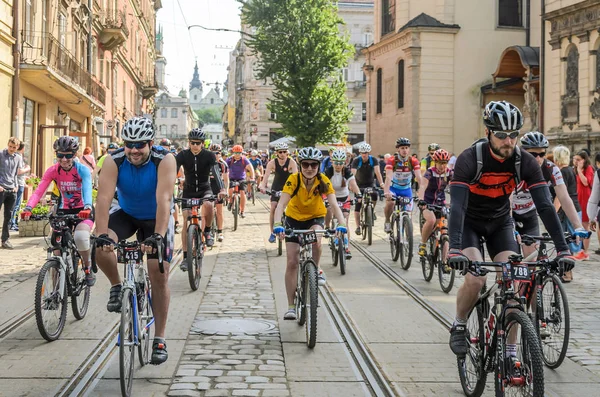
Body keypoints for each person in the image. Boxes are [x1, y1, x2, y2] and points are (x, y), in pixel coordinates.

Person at [446, 101, 573, 365]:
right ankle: (459, 323)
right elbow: (456, 207)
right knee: (476, 279)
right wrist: (455, 248)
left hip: (501, 223)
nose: (508, 141)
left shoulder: (524, 161)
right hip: (470, 222)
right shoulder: (471, 158)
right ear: (488, 132)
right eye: (502, 135)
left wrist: (563, 249)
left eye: (513, 135)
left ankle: (511, 352)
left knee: (514, 286)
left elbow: (546, 207)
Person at [94, 117, 177, 365]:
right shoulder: (114, 160)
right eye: (129, 144)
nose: (133, 150)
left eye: (139, 145)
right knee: (101, 246)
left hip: (156, 218)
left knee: (157, 272)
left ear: (150, 143)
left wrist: (158, 237)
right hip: (127, 213)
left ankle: (159, 338)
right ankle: (117, 286)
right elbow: (104, 200)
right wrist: (101, 234)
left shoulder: (165, 159)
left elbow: (164, 199)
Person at [272, 147, 347, 319]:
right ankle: (291, 306)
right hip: (293, 219)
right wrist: (277, 224)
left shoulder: (323, 180)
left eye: (313, 165)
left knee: (317, 240)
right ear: (300, 164)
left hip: (315, 218)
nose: (309, 168)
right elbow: (282, 204)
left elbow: (334, 204)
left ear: (319, 166)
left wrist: (342, 224)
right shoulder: (293, 179)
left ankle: (317, 268)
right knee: (292, 261)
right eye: (305, 164)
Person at [21, 136, 95, 286]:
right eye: (60, 155)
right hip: (63, 209)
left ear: (75, 155)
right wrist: (28, 207)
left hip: (82, 210)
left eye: (68, 155)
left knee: (80, 237)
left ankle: (87, 267)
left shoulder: (82, 170)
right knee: (56, 251)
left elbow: (87, 187)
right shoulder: (53, 171)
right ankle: (56, 292)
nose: (64, 159)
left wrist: (87, 206)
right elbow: (39, 191)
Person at [514, 132, 586, 264]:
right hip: (509, 214)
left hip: (529, 214)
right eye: (532, 155)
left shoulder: (551, 169)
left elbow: (564, 198)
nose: (537, 159)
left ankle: (527, 284)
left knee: (531, 262)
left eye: (541, 154)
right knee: (511, 263)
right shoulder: (514, 167)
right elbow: (505, 200)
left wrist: (578, 226)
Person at [176, 128, 225, 255]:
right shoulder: (182, 155)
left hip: (204, 188)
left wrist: (222, 189)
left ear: (202, 143)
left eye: (198, 143)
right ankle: (186, 257)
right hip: (188, 189)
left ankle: (207, 231)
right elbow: (173, 170)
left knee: (209, 205)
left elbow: (216, 173)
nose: (195, 145)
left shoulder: (209, 155)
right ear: (189, 142)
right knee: (186, 221)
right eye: (192, 143)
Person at [324, 149, 361, 258]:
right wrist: (324, 198)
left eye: (341, 163)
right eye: (336, 162)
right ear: (332, 162)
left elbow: (353, 184)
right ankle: (327, 227)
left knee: (345, 221)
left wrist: (358, 194)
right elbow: (323, 186)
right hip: (332, 197)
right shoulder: (329, 171)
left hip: (344, 198)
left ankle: (346, 246)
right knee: (328, 210)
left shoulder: (347, 171)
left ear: (344, 162)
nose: (338, 165)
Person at [260, 142, 298, 242]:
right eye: (280, 152)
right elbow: (266, 177)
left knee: (292, 208)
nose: (282, 154)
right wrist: (262, 186)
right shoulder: (272, 163)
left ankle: (293, 228)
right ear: (276, 153)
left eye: (284, 152)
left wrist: (297, 189)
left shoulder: (291, 162)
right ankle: (272, 232)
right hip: (276, 187)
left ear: (287, 153)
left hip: (288, 187)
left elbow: (296, 178)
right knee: (273, 207)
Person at [417, 149, 452, 257]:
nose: (442, 166)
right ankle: (423, 244)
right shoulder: (430, 171)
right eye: (440, 163)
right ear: (435, 162)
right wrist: (421, 200)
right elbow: (423, 186)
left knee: (444, 230)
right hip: (428, 202)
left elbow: (455, 187)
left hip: (441, 203)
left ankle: (445, 260)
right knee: (431, 220)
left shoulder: (449, 172)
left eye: (444, 163)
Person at [383, 138, 421, 233]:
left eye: (406, 148)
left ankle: (405, 233)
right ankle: (387, 220)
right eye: (402, 148)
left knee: (407, 213)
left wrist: (421, 191)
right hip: (393, 188)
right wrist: (386, 192)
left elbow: (419, 177)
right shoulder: (392, 160)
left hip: (406, 189)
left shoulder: (413, 161)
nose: (405, 150)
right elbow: (388, 177)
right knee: (390, 203)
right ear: (398, 149)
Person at [351, 143, 384, 235]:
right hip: (358, 185)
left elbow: (377, 172)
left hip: (370, 184)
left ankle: (372, 210)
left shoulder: (373, 160)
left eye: (365, 153)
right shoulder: (356, 160)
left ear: (368, 153)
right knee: (358, 204)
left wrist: (381, 183)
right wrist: (351, 185)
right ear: (360, 153)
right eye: (362, 153)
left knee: (375, 195)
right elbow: (352, 174)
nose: (364, 154)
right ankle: (358, 227)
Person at [0, 137, 24, 249]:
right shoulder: (1, 154)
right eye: (10, 146)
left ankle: (5, 240)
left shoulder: (18, 157)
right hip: (1, 188)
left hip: (12, 189)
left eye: (14, 147)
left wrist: (16, 185)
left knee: (9, 216)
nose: (11, 149)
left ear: (17, 147)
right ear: (8, 144)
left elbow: (16, 173)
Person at [573, 150, 594, 259]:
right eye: (575, 159)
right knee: (578, 225)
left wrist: (579, 170)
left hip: (585, 199)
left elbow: (586, 182)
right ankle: (580, 249)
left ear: (584, 160)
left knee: (586, 226)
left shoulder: (588, 169)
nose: (576, 161)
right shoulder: (574, 170)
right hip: (578, 198)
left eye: (578, 160)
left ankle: (585, 252)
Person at [226, 145, 255, 219]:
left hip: (241, 179)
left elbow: (251, 168)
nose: (237, 154)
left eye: (239, 153)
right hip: (232, 178)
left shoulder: (244, 160)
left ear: (241, 153)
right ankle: (230, 201)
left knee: (242, 193)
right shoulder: (229, 159)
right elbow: (224, 168)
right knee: (230, 190)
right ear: (233, 152)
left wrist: (252, 177)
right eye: (236, 153)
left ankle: (242, 211)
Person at [209, 143, 229, 242]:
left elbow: (225, 180)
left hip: (218, 186)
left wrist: (226, 190)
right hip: (208, 185)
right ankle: (206, 232)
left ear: (220, 154)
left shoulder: (223, 164)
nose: (215, 155)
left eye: (218, 153)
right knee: (206, 210)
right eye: (213, 153)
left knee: (219, 211)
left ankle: (220, 231)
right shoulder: (206, 163)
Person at [9, 142, 30, 231]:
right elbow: (18, 171)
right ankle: (12, 223)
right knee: (16, 205)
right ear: (22, 148)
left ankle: (14, 222)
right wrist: (27, 168)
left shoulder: (15, 156)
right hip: (18, 184)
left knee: (15, 204)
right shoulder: (18, 156)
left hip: (17, 182)